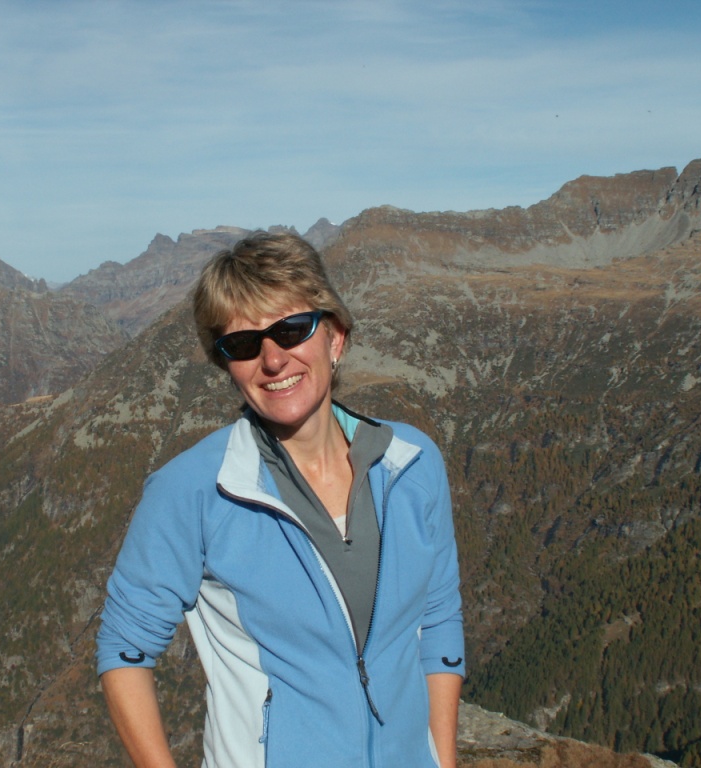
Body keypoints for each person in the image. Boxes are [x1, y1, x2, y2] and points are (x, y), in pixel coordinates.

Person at [96, 231, 465, 768]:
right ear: (227, 365)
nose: (272, 359)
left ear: (335, 338)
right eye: (243, 344)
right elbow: (124, 651)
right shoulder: (193, 490)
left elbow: (438, 619)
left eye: (291, 330)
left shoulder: (412, 465)